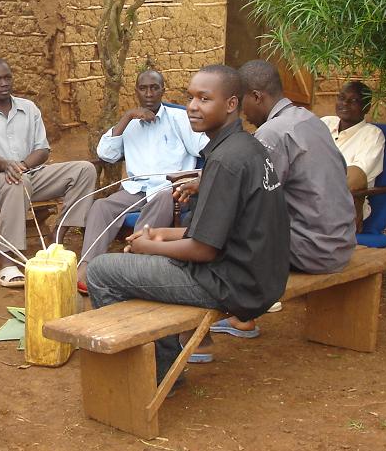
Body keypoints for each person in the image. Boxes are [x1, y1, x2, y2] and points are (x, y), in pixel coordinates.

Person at [86, 65, 291, 381]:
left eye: (205, 99)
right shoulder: (245, 147)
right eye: (191, 97)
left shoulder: (226, 161)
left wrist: (148, 246)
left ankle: (143, 376)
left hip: (233, 283)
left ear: (231, 104)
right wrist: (163, 234)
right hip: (255, 274)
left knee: (103, 271)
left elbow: (204, 249)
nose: (193, 106)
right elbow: (225, 228)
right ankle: (166, 365)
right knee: (142, 267)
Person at [207, 60, 356, 338]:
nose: (242, 113)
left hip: (313, 250)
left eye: (242, 103)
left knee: (215, 237)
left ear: (257, 97)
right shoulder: (310, 120)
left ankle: (242, 316)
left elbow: (251, 196)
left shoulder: (271, 132)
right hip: (341, 243)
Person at [0, 58, 97, 287]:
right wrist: (8, 166)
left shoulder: (28, 108)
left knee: (85, 170)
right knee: (17, 181)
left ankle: (57, 238)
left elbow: (42, 149)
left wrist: (22, 166)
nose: (4, 83)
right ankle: (5, 262)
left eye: (7, 77)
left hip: (31, 174)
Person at [79, 69, 207, 285]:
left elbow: (203, 148)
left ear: (162, 90)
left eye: (154, 88)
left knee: (163, 196)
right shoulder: (130, 123)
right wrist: (127, 117)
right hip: (135, 190)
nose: (149, 94)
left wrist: (194, 178)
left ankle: (132, 261)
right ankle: (86, 268)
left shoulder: (179, 118)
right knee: (101, 206)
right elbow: (106, 154)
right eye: (143, 88)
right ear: (136, 91)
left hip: (169, 188)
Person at [321, 81, 385, 222]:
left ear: (366, 107)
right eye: (342, 98)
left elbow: (356, 178)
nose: (345, 103)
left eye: (354, 100)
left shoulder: (372, 135)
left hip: (344, 205)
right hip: (307, 198)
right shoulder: (325, 123)